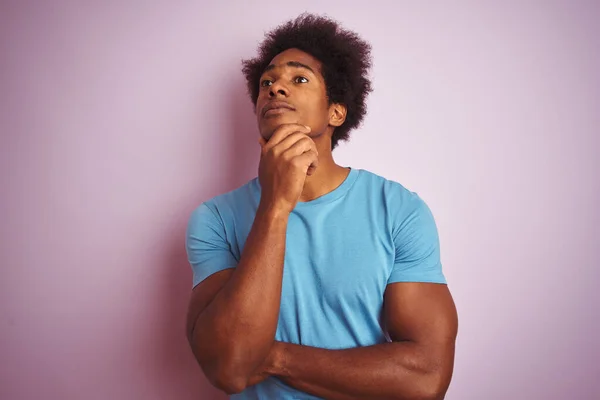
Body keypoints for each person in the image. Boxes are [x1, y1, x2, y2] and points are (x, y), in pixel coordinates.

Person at [185, 13, 458, 400]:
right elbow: (229, 368)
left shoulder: (398, 209)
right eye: (267, 82)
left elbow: (426, 378)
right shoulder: (214, 220)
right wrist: (276, 205)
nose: (275, 88)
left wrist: (272, 357)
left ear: (336, 112)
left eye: (298, 79)